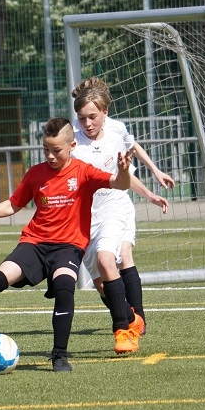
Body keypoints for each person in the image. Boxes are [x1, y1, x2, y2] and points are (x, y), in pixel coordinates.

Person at [0, 117, 133, 372]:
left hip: (68, 247)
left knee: (65, 286)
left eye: (56, 150)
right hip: (34, 243)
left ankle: (59, 356)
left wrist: (123, 170)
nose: (50, 156)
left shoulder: (83, 172)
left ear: (72, 146)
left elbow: (120, 184)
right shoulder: (36, 173)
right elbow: (14, 204)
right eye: (46, 149)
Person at [70, 77, 170, 353]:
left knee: (118, 257)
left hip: (115, 207)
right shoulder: (72, 140)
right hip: (86, 217)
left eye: (92, 117)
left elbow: (123, 173)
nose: (87, 123)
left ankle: (127, 326)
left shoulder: (116, 131)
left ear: (105, 112)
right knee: (100, 281)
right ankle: (130, 316)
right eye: (82, 118)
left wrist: (151, 184)